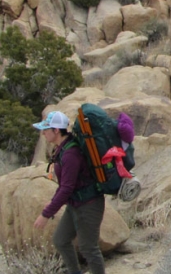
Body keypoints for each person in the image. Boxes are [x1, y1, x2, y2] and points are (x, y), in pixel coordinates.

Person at [33, 111, 106, 274]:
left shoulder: (71, 154)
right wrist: (52, 202)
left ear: (56, 130)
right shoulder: (63, 148)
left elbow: (67, 188)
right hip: (75, 204)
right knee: (60, 240)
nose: (43, 133)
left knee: (89, 248)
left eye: (46, 129)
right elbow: (65, 185)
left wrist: (46, 214)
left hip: (89, 205)